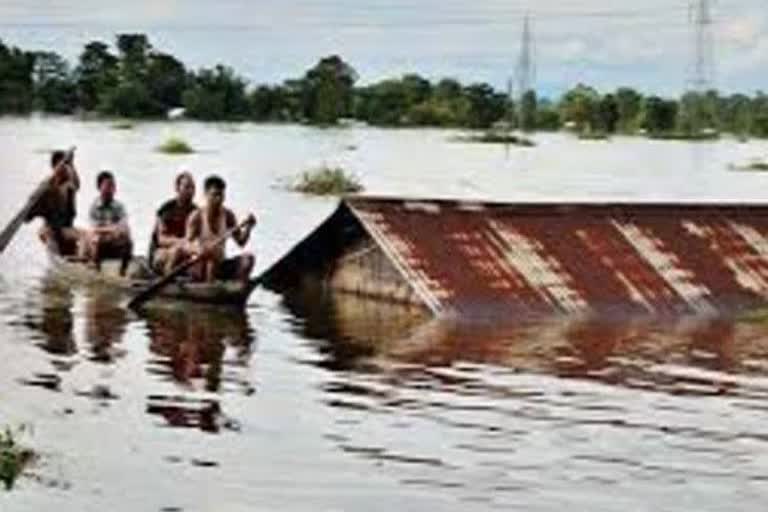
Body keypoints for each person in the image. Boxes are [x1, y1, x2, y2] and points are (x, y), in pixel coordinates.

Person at [186, 175, 256, 283]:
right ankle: (209, 290)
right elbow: (187, 245)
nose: (218, 199)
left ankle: (236, 287)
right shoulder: (197, 216)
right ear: (206, 194)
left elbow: (241, 242)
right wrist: (200, 249)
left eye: (221, 195)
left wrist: (248, 227)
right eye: (214, 195)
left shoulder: (228, 215)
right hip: (200, 266)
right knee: (211, 261)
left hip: (220, 264)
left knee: (248, 259)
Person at [26, 150, 81, 255]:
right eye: (62, 166)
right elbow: (28, 215)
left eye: (66, 166)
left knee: (86, 237)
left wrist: (72, 163)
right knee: (44, 232)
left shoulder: (69, 185)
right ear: (54, 167)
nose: (65, 169)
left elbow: (77, 184)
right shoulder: (47, 187)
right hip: (51, 229)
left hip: (67, 228)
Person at [83, 171, 133, 273]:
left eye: (112, 186)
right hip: (101, 240)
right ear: (99, 187)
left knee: (128, 240)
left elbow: (124, 224)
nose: (110, 189)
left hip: (113, 239)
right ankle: (95, 269)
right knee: (95, 239)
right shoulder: (94, 207)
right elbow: (95, 229)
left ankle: (123, 272)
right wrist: (112, 229)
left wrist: (116, 230)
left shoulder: (119, 206)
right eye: (107, 186)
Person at [150, 172, 198, 275]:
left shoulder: (196, 211)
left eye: (192, 187)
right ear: (177, 188)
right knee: (175, 252)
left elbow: (197, 239)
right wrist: (181, 243)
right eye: (187, 187)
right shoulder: (166, 209)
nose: (190, 191)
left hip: (185, 252)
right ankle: (167, 277)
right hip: (162, 252)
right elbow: (161, 239)